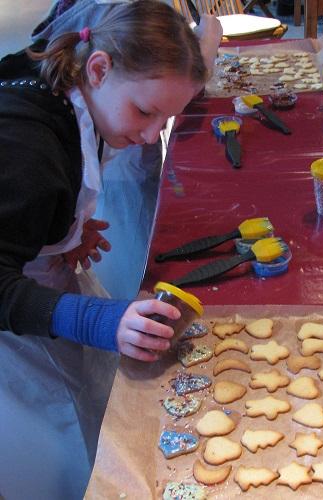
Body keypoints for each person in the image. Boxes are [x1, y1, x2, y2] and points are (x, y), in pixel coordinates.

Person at [0, 2, 221, 499]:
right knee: (65, 441)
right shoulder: (27, 150)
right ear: (98, 69)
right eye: (145, 112)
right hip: (15, 321)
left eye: (164, 120)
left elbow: (28, 206)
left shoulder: (72, 92)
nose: (148, 135)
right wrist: (98, 321)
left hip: (45, 276)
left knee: (109, 398)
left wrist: (64, 227)